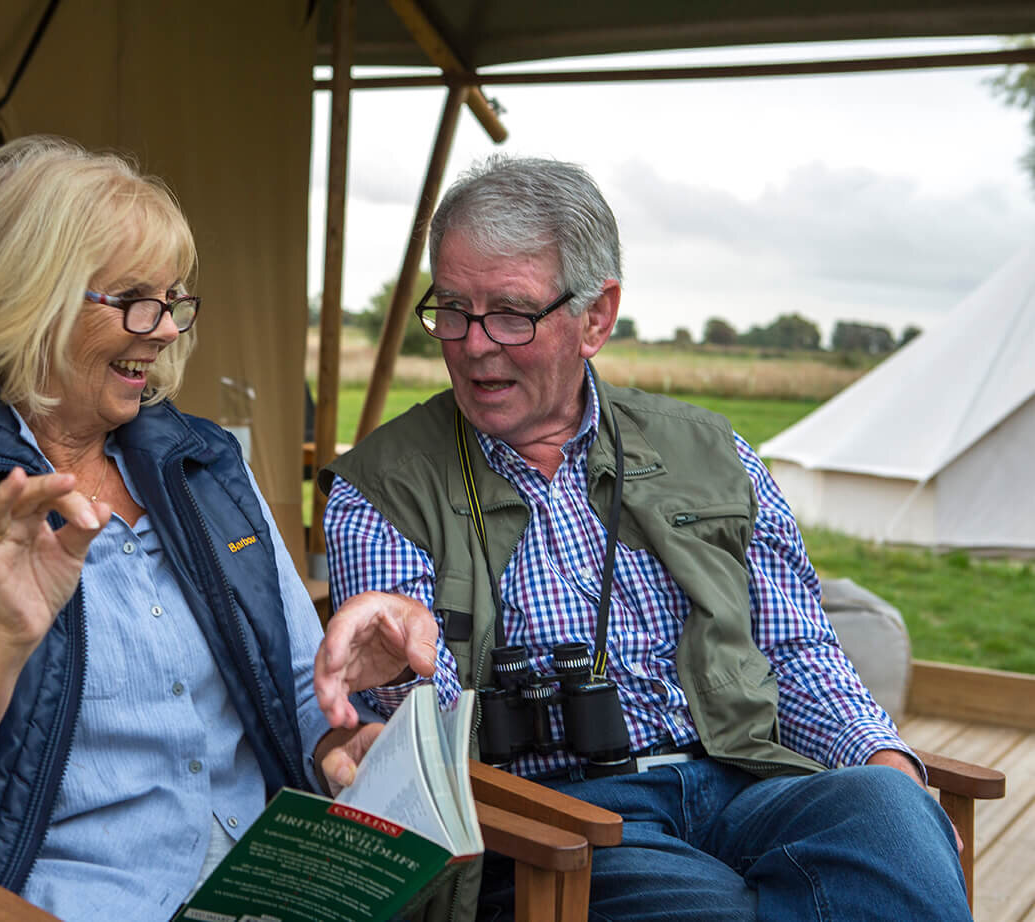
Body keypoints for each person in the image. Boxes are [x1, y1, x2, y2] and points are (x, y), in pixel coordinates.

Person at [313, 155, 969, 922]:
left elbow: (797, 651)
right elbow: (412, 735)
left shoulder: (714, 453)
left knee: (891, 820)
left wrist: (884, 764)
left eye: (512, 313)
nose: (474, 343)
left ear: (596, 316)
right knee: (714, 909)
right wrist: (403, 667)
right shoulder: (382, 485)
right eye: (453, 310)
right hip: (554, 823)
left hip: (747, 782)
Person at [0, 135, 379, 921]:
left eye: (175, 301)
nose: (166, 329)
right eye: (134, 300)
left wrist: (344, 742)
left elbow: (295, 682)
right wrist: (3, 639)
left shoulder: (205, 463)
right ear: (30, 296)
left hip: (268, 893)